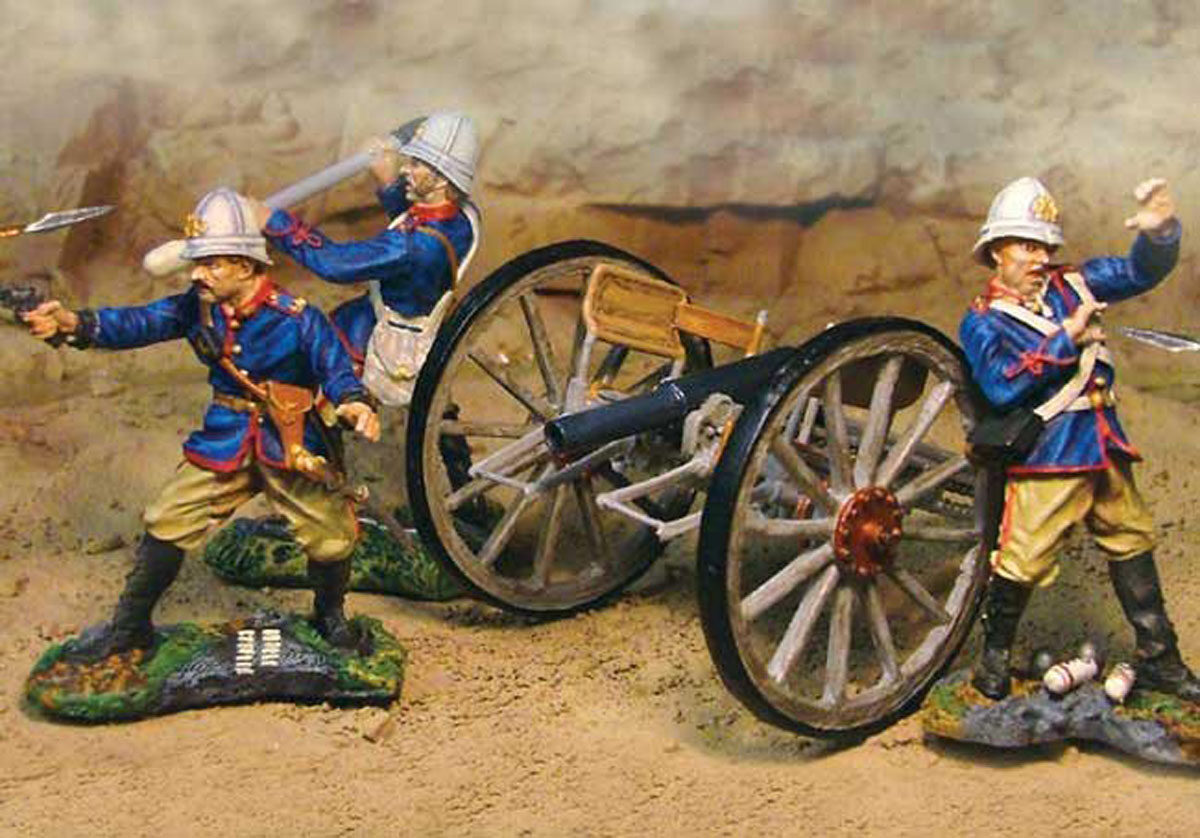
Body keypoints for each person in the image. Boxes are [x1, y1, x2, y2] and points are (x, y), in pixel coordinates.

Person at [22, 187, 380, 658]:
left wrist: (353, 403)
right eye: (197, 263)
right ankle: (129, 627)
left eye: (211, 264)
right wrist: (74, 324)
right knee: (168, 519)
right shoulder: (199, 308)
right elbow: (141, 322)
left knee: (331, 537)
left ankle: (330, 618)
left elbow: (334, 367)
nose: (197, 274)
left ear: (246, 267)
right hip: (226, 440)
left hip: (290, 443)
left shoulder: (297, 318)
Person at [960, 175, 1200, 702]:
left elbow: (1138, 272)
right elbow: (1001, 385)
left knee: (1132, 542)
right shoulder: (982, 322)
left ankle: (1160, 658)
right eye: (1027, 245)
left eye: (1045, 246)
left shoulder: (1076, 284)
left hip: (1104, 445)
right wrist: (1066, 338)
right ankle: (993, 659)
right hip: (1051, 455)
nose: (1040, 258)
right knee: (1023, 559)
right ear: (997, 251)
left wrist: (1159, 234)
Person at [247, 110, 481, 407]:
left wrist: (274, 222)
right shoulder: (463, 219)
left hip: (376, 336)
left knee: (303, 364)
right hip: (382, 315)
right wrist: (389, 183)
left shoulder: (413, 246)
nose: (405, 169)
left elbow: (335, 263)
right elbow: (418, 223)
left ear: (440, 180)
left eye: (416, 164)